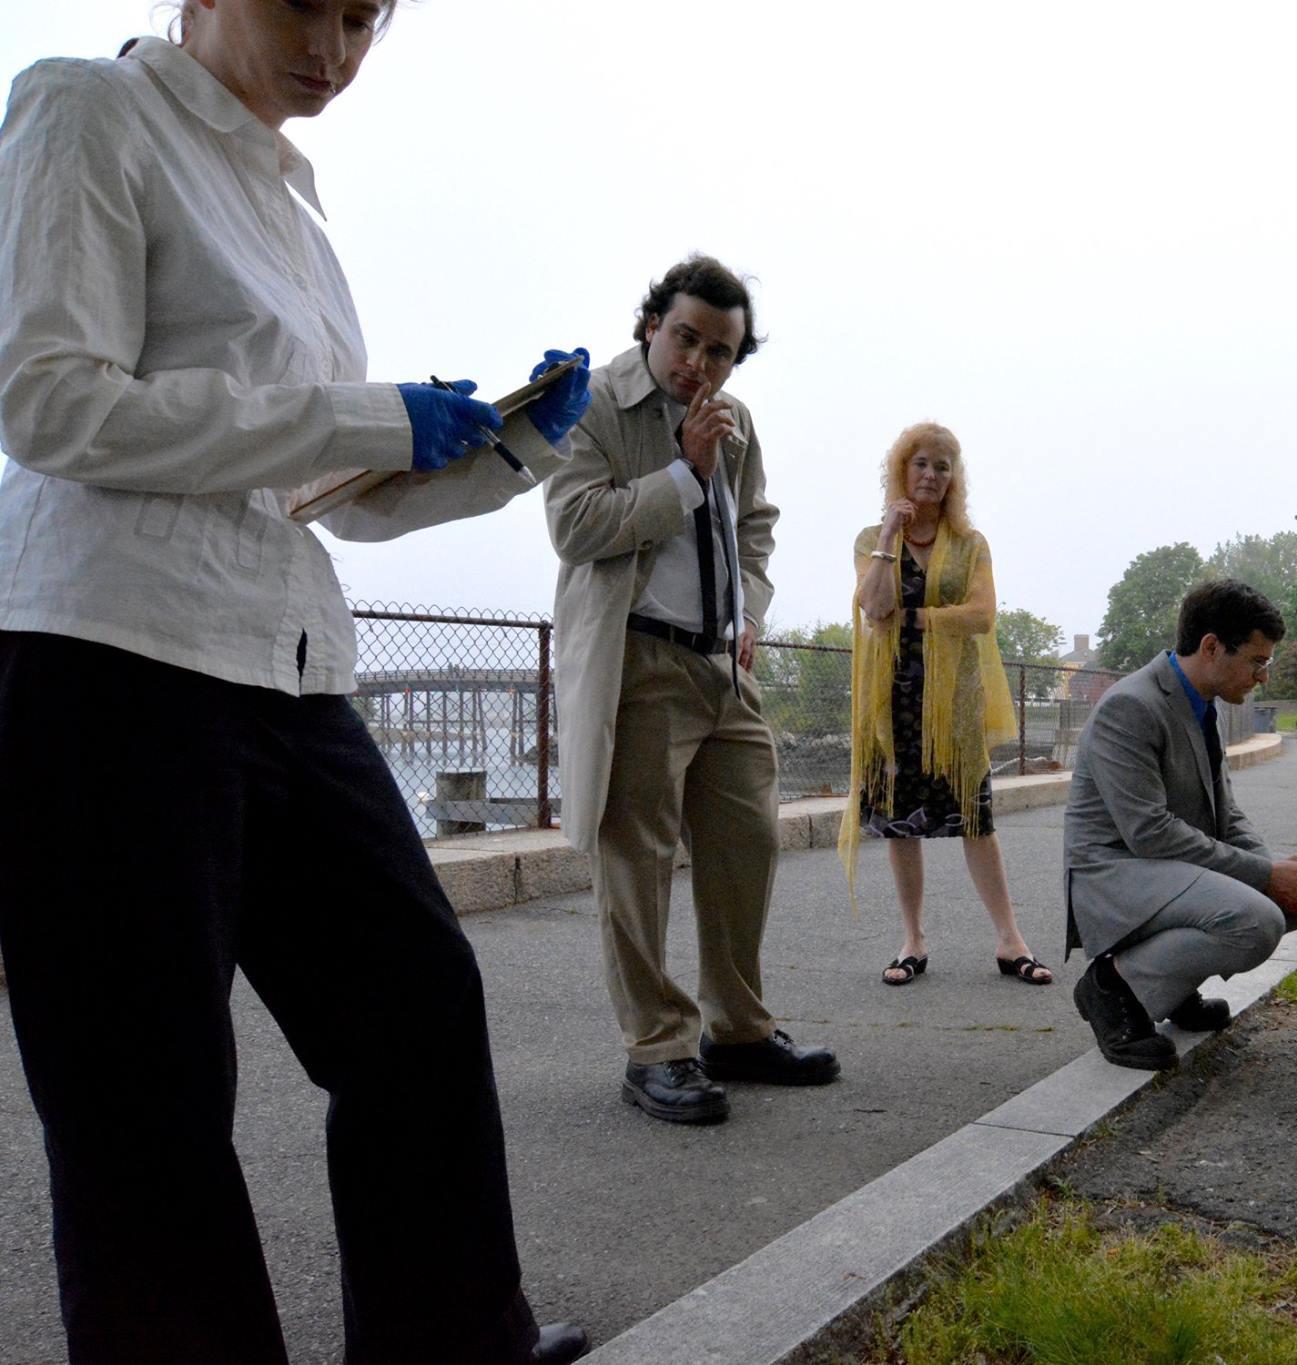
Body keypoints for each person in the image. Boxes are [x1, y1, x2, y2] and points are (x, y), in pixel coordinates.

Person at [0, 5, 592, 1362]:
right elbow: (50, 402)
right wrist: (369, 411)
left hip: (285, 660)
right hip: (107, 653)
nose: (334, 41)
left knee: (417, 1009)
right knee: (143, 1098)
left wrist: (498, 449)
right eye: (303, 2)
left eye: (363, 16)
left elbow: (327, 494)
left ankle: (453, 1339)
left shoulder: (294, 212)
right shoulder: (87, 109)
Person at [548, 255, 837, 1128]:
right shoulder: (597, 402)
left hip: (724, 665)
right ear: (651, 325)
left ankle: (738, 1031)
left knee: (747, 843)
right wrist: (681, 470)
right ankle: (658, 1049)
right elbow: (575, 524)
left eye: (721, 350)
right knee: (635, 863)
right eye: (686, 338)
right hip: (640, 661)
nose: (699, 363)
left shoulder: (735, 418)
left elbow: (754, 525)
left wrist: (751, 609)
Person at [1063, 580, 1297, 1069]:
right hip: (1117, 873)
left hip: (1168, 870)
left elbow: (1227, 815)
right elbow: (1149, 832)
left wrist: (1275, 868)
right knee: (1256, 920)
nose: (1263, 677)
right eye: (1258, 661)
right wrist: (1264, 877)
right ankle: (1112, 988)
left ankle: (1172, 988)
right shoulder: (1130, 706)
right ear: (1212, 647)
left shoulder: (1202, 704)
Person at [839, 424, 1049, 989]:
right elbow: (873, 603)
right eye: (922, 464)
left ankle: (1011, 940)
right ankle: (913, 940)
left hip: (954, 701)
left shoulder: (970, 542)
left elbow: (982, 616)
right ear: (902, 471)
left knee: (976, 819)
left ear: (955, 479)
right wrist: (890, 530)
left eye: (944, 466)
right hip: (892, 701)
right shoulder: (871, 539)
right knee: (901, 825)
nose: (932, 475)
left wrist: (915, 619)